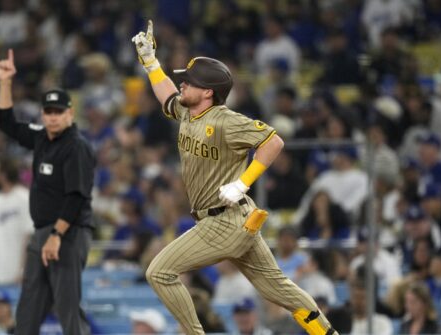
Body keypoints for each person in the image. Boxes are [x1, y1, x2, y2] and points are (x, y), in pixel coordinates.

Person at [132, 20, 338, 335]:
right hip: (235, 218)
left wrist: (244, 181)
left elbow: (273, 142)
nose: (183, 85)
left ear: (209, 92)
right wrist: (151, 64)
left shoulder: (226, 120)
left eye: (190, 82)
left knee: (159, 273)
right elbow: (166, 96)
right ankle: (326, 332)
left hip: (223, 220)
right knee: (277, 288)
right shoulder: (189, 111)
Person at [0, 49, 96, 335]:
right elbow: (7, 124)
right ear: (42, 114)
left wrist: (56, 236)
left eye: (58, 112)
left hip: (68, 233)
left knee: (67, 307)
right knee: (27, 310)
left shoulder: (76, 147)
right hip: (43, 232)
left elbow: (77, 196)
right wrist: (5, 83)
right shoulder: (42, 137)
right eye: (48, 112)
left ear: (70, 113)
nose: (53, 118)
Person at [0, 156, 34, 286]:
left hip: (18, 272)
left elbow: (29, 236)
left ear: (3, 174)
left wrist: (23, 270)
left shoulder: (24, 198)